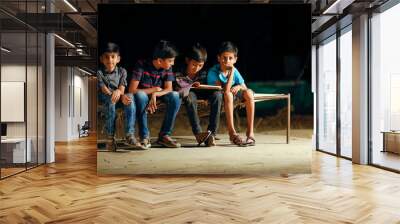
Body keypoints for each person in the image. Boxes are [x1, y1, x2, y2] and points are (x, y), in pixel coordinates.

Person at [129, 40, 181, 148]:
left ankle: (164, 135)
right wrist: (153, 90)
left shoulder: (168, 68)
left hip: (158, 96)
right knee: (140, 96)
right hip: (142, 96)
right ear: (159, 60)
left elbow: (169, 88)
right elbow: (132, 90)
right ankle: (144, 136)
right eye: (170, 61)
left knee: (175, 95)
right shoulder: (141, 65)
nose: (173, 63)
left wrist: (156, 94)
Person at [207, 41, 255, 146]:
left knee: (250, 93)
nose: (227, 61)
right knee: (228, 94)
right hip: (220, 97)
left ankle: (250, 132)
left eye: (230, 58)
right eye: (224, 57)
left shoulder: (234, 69)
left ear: (235, 59)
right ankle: (232, 132)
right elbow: (225, 90)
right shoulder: (213, 72)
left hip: (232, 94)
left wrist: (238, 86)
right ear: (218, 58)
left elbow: (244, 87)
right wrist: (232, 72)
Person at [174, 43, 222, 146]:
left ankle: (212, 133)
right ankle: (198, 133)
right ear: (187, 60)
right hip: (190, 93)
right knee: (190, 97)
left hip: (203, 92)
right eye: (194, 64)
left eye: (200, 65)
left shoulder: (205, 71)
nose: (197, 68)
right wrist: (190, 84)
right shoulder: (179, 70)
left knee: (217, 95)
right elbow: (178, 86)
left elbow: (210, 84)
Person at [97, 42, 140, 151]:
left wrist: (121, 95)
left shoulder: (122, 71)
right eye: (106, 57)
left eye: (113, 57)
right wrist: (118, 95)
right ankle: (110, 138)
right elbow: (105, 90)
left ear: (118, 59)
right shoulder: (100, 73)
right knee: (112, 101)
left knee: (130, 96)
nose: (110, 60)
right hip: (105, 97)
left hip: (118, 96)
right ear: (101, 59)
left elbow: (122, 89)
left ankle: (129, 135)